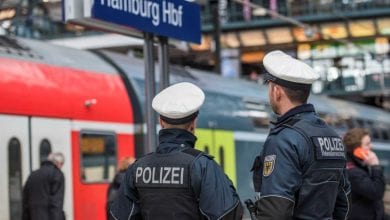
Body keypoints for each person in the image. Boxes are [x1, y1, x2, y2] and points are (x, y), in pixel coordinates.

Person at [110, 82, 243, 220]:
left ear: (161, 122)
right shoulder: (202, 166)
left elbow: (118, 216)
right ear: (193, 123)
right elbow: (226, 214)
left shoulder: (137, 169)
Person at [251, 51, 351, 219]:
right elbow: (343, 200)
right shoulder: (332, 136)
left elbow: (275, 210)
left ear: (277, 91)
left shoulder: (284, 139)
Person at [343, 128, 385, 220]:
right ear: (356, 149)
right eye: (367, 144)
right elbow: (376, 192)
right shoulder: (353, 172)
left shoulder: (358, 164)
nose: (371, 146)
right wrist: (376, 166)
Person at [22, 152, 65, 220]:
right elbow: (56, 204)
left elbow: (25, 203)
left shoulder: (32, 175)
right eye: (62, 164)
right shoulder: (57, 174)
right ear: (58, 163)